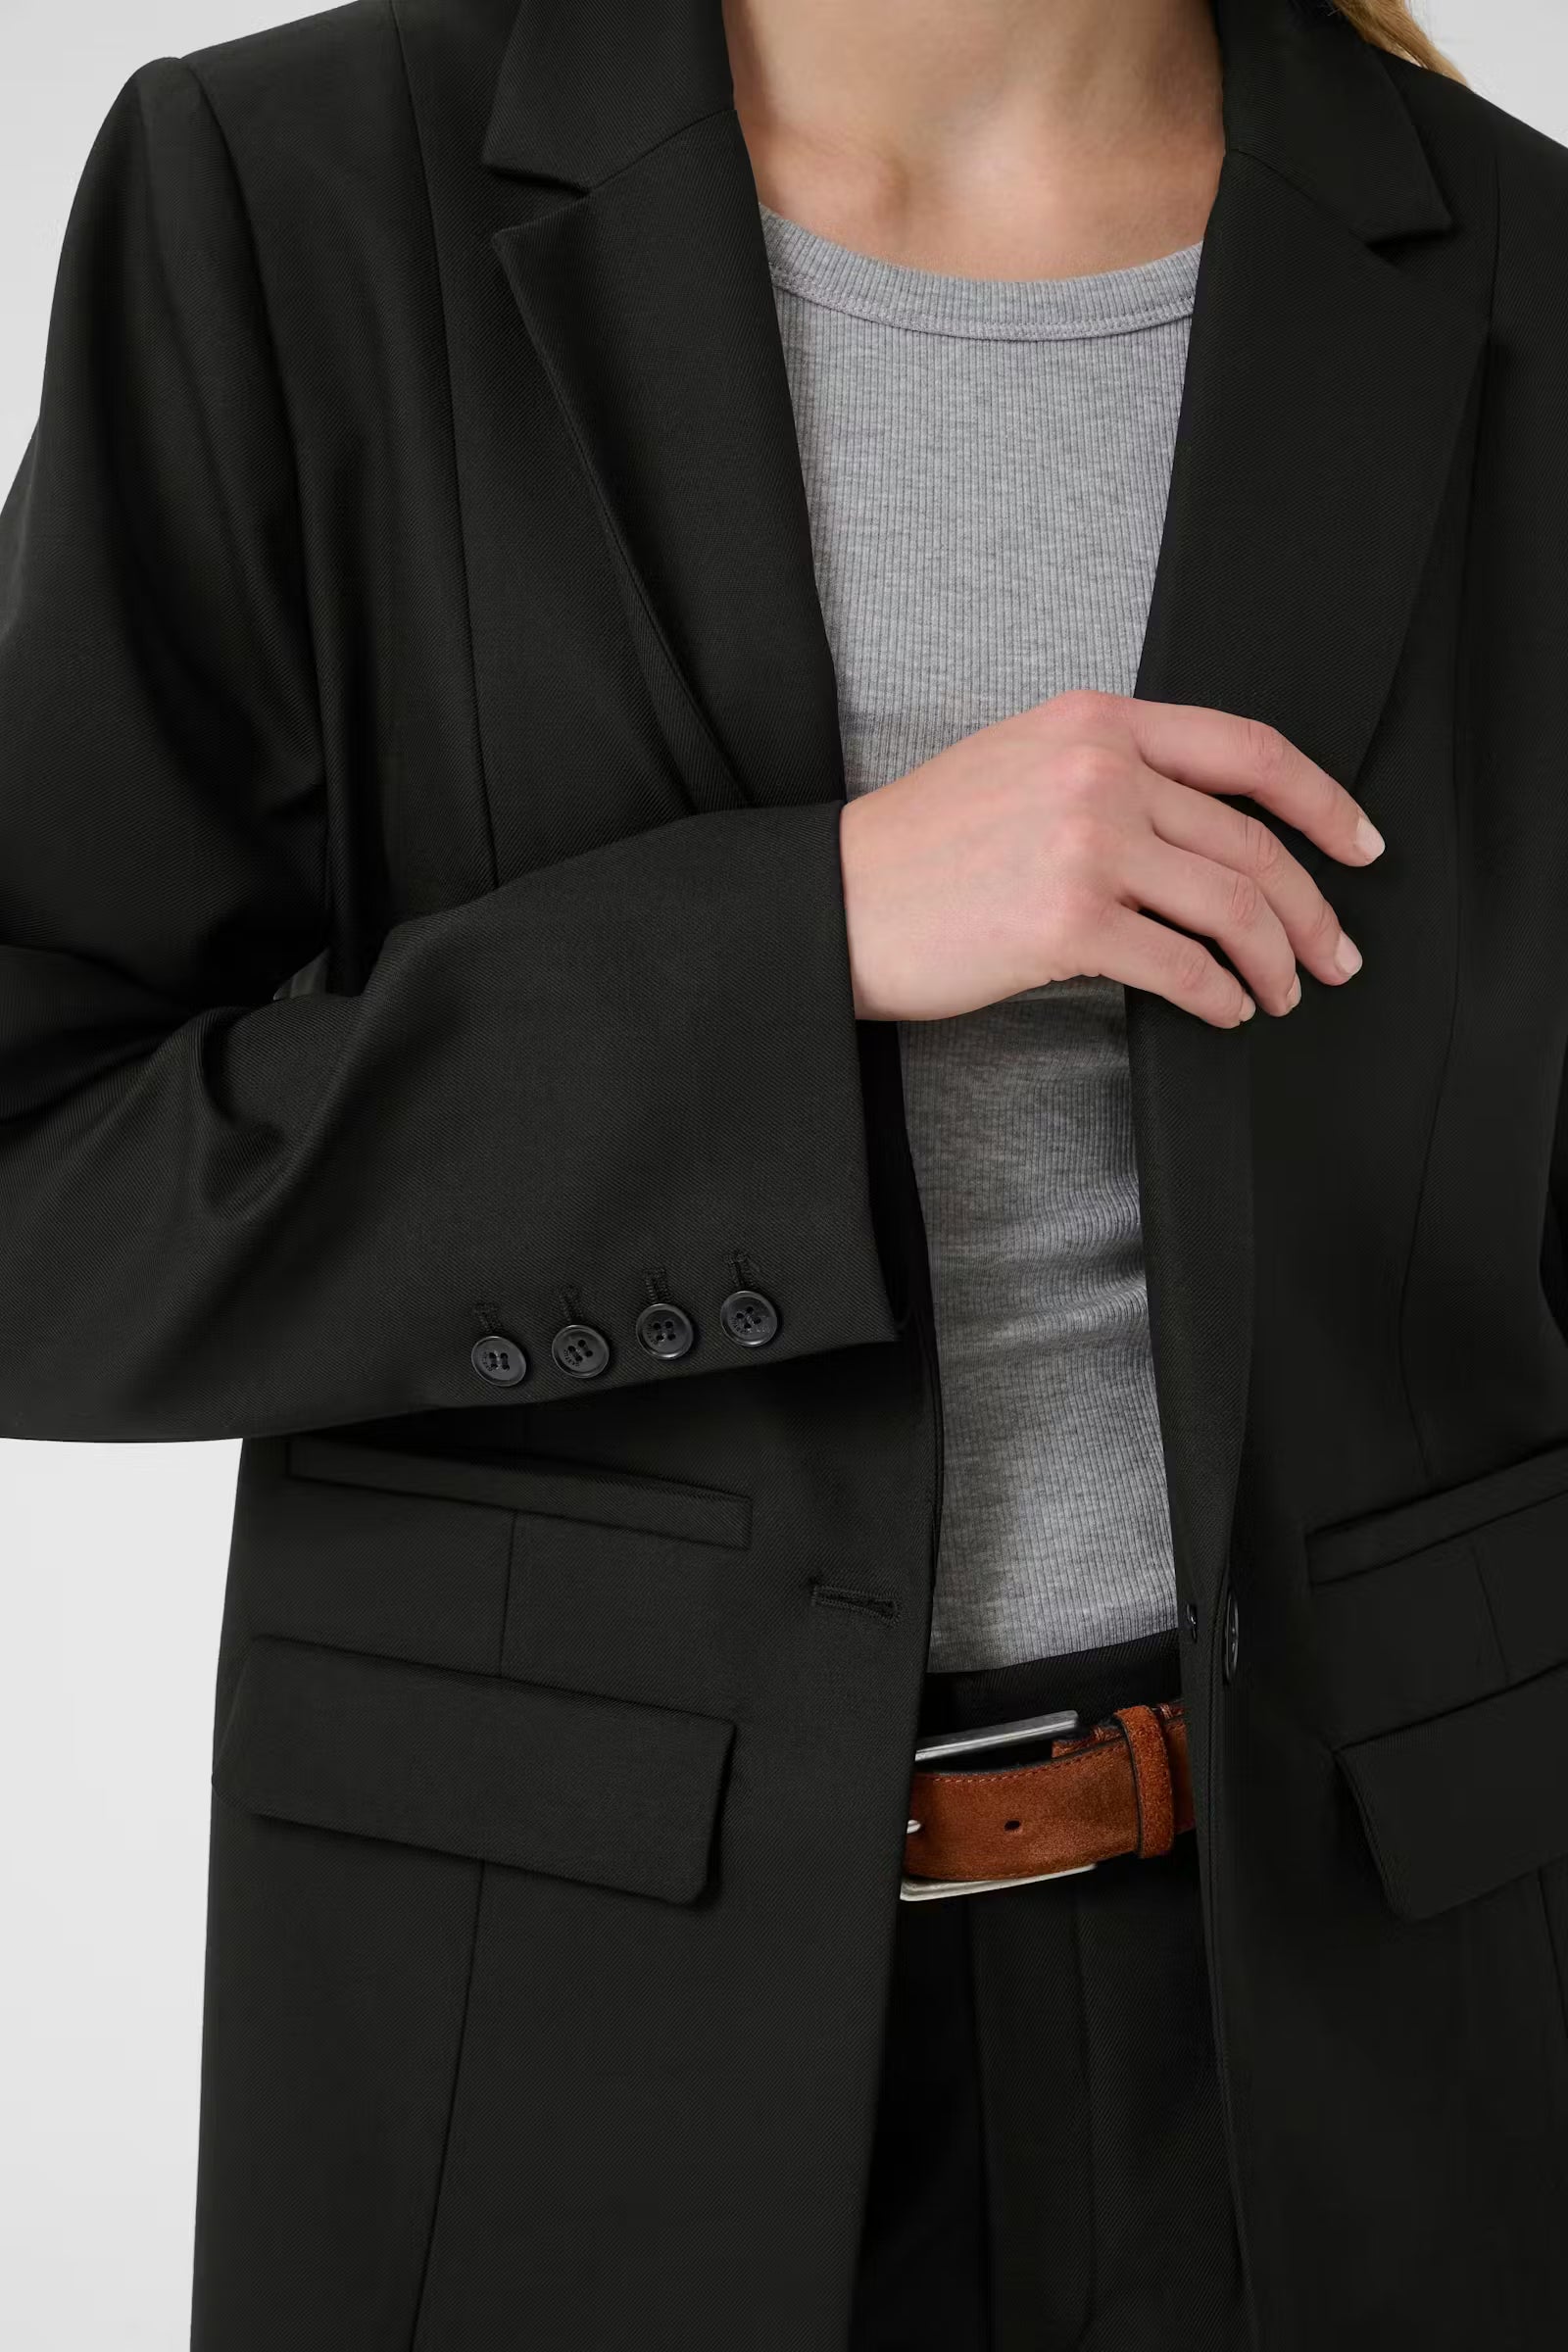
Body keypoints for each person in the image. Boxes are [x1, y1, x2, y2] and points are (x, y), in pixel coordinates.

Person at [3, 0, 1567, 2346]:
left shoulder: (1521, 273)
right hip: (553, 2030)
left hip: (1394, 2046)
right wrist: (799, 940)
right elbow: (36, 1182)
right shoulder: (292, 192)